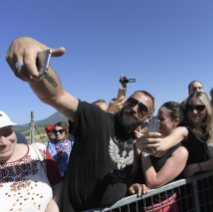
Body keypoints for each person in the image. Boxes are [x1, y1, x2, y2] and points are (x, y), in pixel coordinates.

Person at [6, 37, 155, 211]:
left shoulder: (134, 140)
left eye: (142, 108)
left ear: (148, 118)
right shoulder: (97, 120)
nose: (134, 108)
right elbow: (56, 96)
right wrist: (35, 57)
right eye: (131, 102)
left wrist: (131, 186)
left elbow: (120, 175)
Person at [0, 110, 63, 212]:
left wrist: (53, 208)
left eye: (7, 132)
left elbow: (58, 187)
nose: (4, 142)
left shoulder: (38, 151)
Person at [134, 101, 188, 211]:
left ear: (175, 121)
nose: (156, 122)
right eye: (156, 118)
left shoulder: (180, 152)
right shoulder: (151, 139)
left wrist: (145, 151)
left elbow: (153, 182)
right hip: (136, 206)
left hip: (161, 207)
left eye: (161, 119)